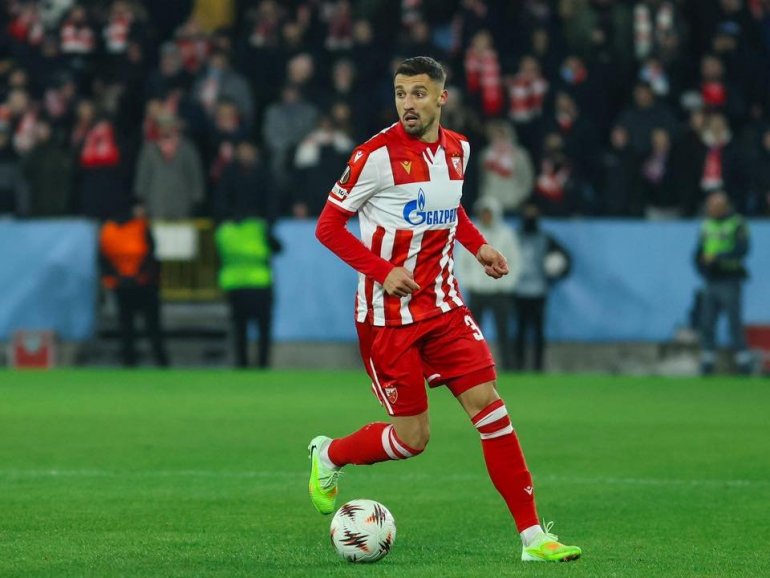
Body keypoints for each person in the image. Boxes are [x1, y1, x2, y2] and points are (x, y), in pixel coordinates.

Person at [308, 56, 581, 563]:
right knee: (413, 439)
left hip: (444, 308)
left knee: (491, 409)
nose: (408, 104)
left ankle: (533, 538)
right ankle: (330, 453)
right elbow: (327, 227)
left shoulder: (459, 149)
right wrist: (383, 271)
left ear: (441, 98)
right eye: (400, 93)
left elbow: (450, 207)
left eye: (418, 93)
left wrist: (479, 247)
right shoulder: (374, 156)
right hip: (388, 318)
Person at [99, 203, 169, 368]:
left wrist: (114, 279)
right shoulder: (140, 226)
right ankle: (161, 363)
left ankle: (129, 363)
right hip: (144, 285)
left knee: (127, 328)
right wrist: (144, 277)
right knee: (152, 327)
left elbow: (104, 259)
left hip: (122, 285)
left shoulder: (108, 229)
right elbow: (151, 253)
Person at [457, 196, 521, 370]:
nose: (485, 217)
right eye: (483, 213)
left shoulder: (506, 234)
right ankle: (472, 366)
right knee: (472, 333)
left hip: (500, 292)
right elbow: (461, 262)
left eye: (488, 213)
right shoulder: (472, 232)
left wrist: (507, 284)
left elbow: (516, 261)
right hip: (477, 291)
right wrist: (470, 283)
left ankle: (508, 366)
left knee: (503, 331)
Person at [694, 191, 752, 375]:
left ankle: (743, 362)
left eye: (714, 205)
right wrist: (702, 266)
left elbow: (742, 249)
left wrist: (718, 258)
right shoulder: (707, 225)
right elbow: (699, 251)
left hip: (730, 279)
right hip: (711, 280)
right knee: (707, 322)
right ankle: (707, 361)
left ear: (724, 206)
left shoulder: (737, 223)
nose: (710, 209)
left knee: (734, 322)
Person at [514, 202, 571, 372]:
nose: (530, 217)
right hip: (518, 291)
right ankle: (518, 366)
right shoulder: (515, 237)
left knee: (538, 332)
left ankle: (538, 366)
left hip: (539, 291)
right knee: (520, 330)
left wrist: (554, 277)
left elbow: (565, 260)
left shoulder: (545, 238)